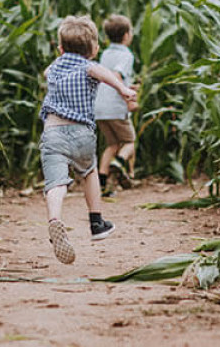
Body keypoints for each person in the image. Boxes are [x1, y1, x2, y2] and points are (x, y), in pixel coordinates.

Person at [39, 15, 137, 264]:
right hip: (81, 132)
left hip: (52, 132)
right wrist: (124, 90)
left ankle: (54, 220)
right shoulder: (88, 66)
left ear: (60, 49)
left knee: (56, 182)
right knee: (89, 172)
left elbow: (47, 71)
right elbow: (103, 73)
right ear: (93, 50)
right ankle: (96, 223)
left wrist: (62, 57)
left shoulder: (55, 67)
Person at [93, 14, 139, 196]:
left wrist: (128, 85)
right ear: (126, 35)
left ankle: (103, 184)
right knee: (129, 142)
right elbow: (118, 76)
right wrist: (127, 94)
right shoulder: (126, 55)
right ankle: (119, 163)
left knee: (111, 145)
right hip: (115, 107)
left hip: (100, 107)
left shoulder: (106, 53)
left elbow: (108, 76)